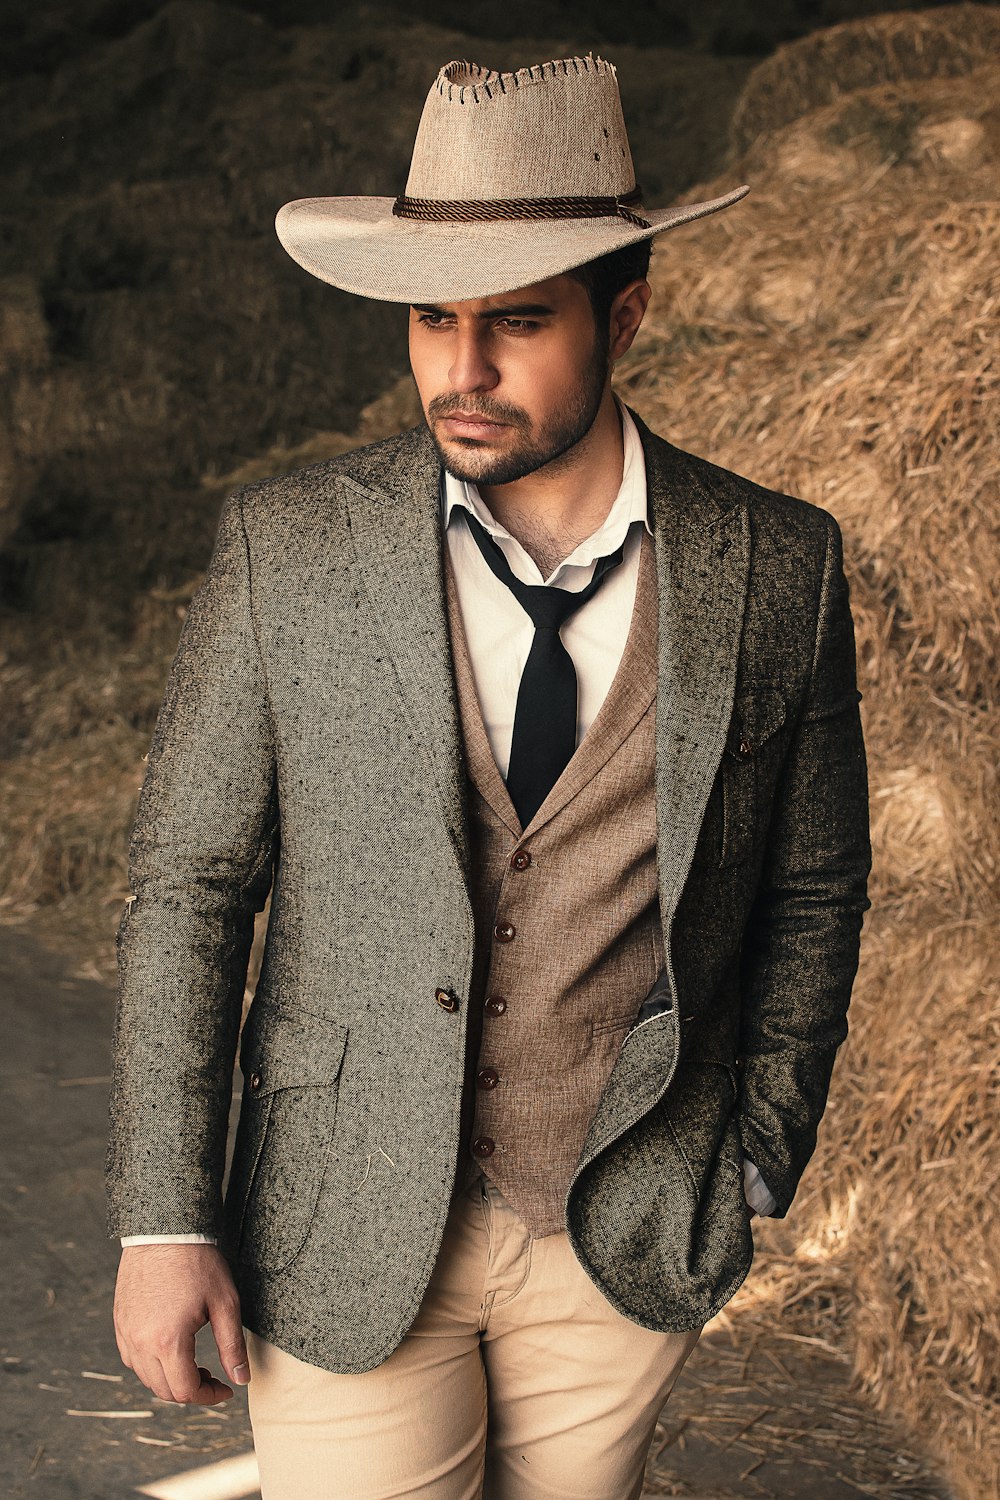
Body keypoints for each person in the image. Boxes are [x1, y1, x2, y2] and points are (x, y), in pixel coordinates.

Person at [108, 55, 871, 1500]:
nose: (461, 370)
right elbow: (188, 887)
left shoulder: (776, 562)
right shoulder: (294, 549)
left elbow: (817, 877)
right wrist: (164, 1219)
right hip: (338, 1215)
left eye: (516, 322)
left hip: (626, 1221)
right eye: (431, 319)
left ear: (625, 315)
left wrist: (758, 1140)